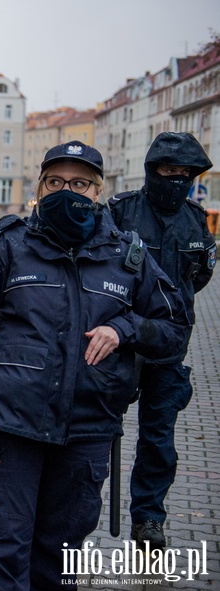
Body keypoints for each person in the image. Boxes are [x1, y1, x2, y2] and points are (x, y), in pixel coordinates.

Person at [0, 141, 188, 591]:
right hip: (11, 427)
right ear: (40, 187)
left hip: (87, 431)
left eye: (79, 184)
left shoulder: (128, 255)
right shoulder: (10, 245)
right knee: (6, 554)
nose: (67, 191)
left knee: (60, 565)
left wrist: (125, 328)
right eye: (55, 182)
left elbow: (173, 326)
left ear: (98, 191)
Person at [108, 132, 215, 548]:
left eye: (185, 174)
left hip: (169, 349)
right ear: (153, 170)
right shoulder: (122, 212)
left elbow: (200, 276)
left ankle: (148, 519)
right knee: (99, 432)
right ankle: (73, 514)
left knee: (159, 441)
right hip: (119, 345)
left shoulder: (196, 219)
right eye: (169, 171)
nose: (177, 179)